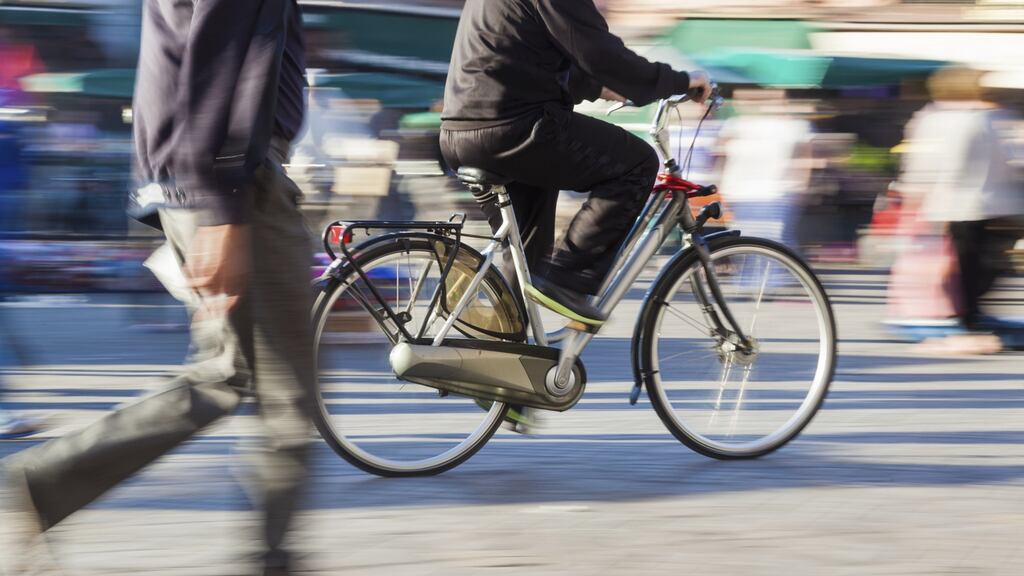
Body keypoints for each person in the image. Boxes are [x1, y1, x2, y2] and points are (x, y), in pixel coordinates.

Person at [1, 1, 315, 575]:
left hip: (206, 180)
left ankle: (46, 481)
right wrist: (223, 209)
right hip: (239, 183)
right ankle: (275, 561)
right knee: (281, 396)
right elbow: (219, 61)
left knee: (232, 376)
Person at [440, 0, 709, 327]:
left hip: (462, 131)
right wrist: (679, 81)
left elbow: (525, 54)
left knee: (526, 255)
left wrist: (599, 87)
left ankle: (507, 353)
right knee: (635, 164)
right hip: (514, 128)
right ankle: (568, 277)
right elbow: (599, 54)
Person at [892, 66, 1024, 354]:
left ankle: (969, 314)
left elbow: (922, 163)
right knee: (981, 265)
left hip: (957, 204)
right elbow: (1010, 158)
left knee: (968, 264)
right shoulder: (987, 117)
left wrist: (917, 196)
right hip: (988, 203)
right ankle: (969, 316)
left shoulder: (933, 118)